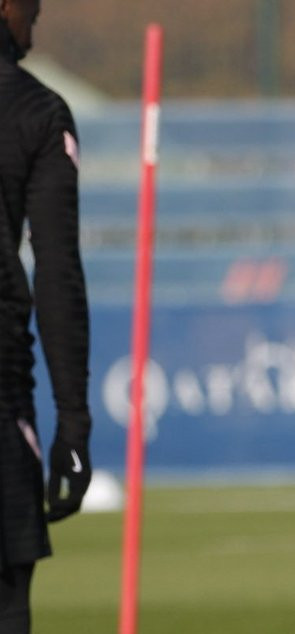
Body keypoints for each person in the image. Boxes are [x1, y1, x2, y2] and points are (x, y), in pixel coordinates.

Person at [0, 0, 93, 631]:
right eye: (32, 6)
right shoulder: (36, 110)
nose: (36, 20)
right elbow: (57, 275)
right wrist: (74, 423)